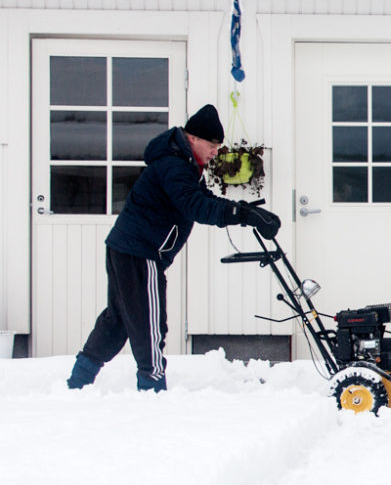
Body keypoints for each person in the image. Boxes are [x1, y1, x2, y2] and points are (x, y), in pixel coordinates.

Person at [66, 104, 281, 392]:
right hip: (141, 252)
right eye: (213, 144)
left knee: (117, 321)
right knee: (150, 324)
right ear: (193, 138)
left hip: (126, 248)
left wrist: (244, 211)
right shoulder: (174, 165)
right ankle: (152, 388)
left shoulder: (182, 163)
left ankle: (79, 382)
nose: (216, 151)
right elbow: (196, 206)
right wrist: (242, 216)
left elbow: (203, 197)